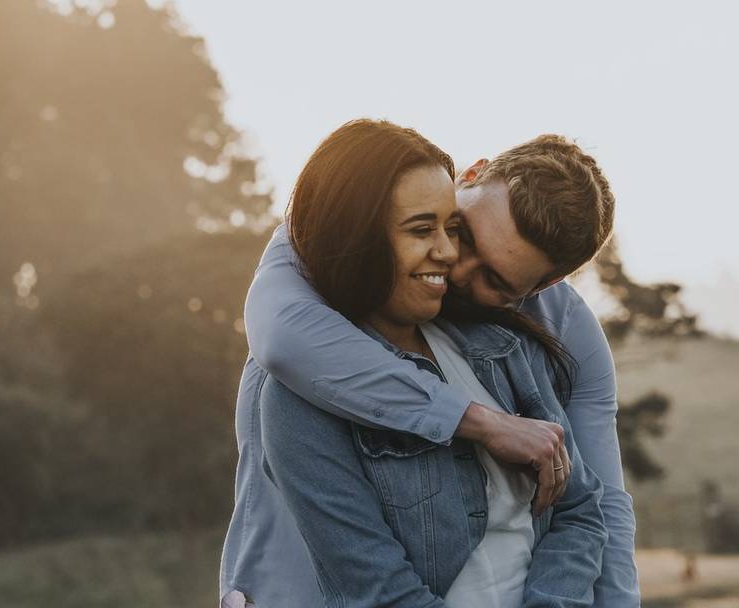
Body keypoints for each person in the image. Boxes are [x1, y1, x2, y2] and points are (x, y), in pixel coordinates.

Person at [220, 122, 639, 607]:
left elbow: (595, 504)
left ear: (542, 287)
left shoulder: (528, 334)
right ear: (472, 175)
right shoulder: (309, 261)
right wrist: (481, 422)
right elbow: (281, 337)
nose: (453, 265)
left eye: (495, 280)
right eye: (466, 234)